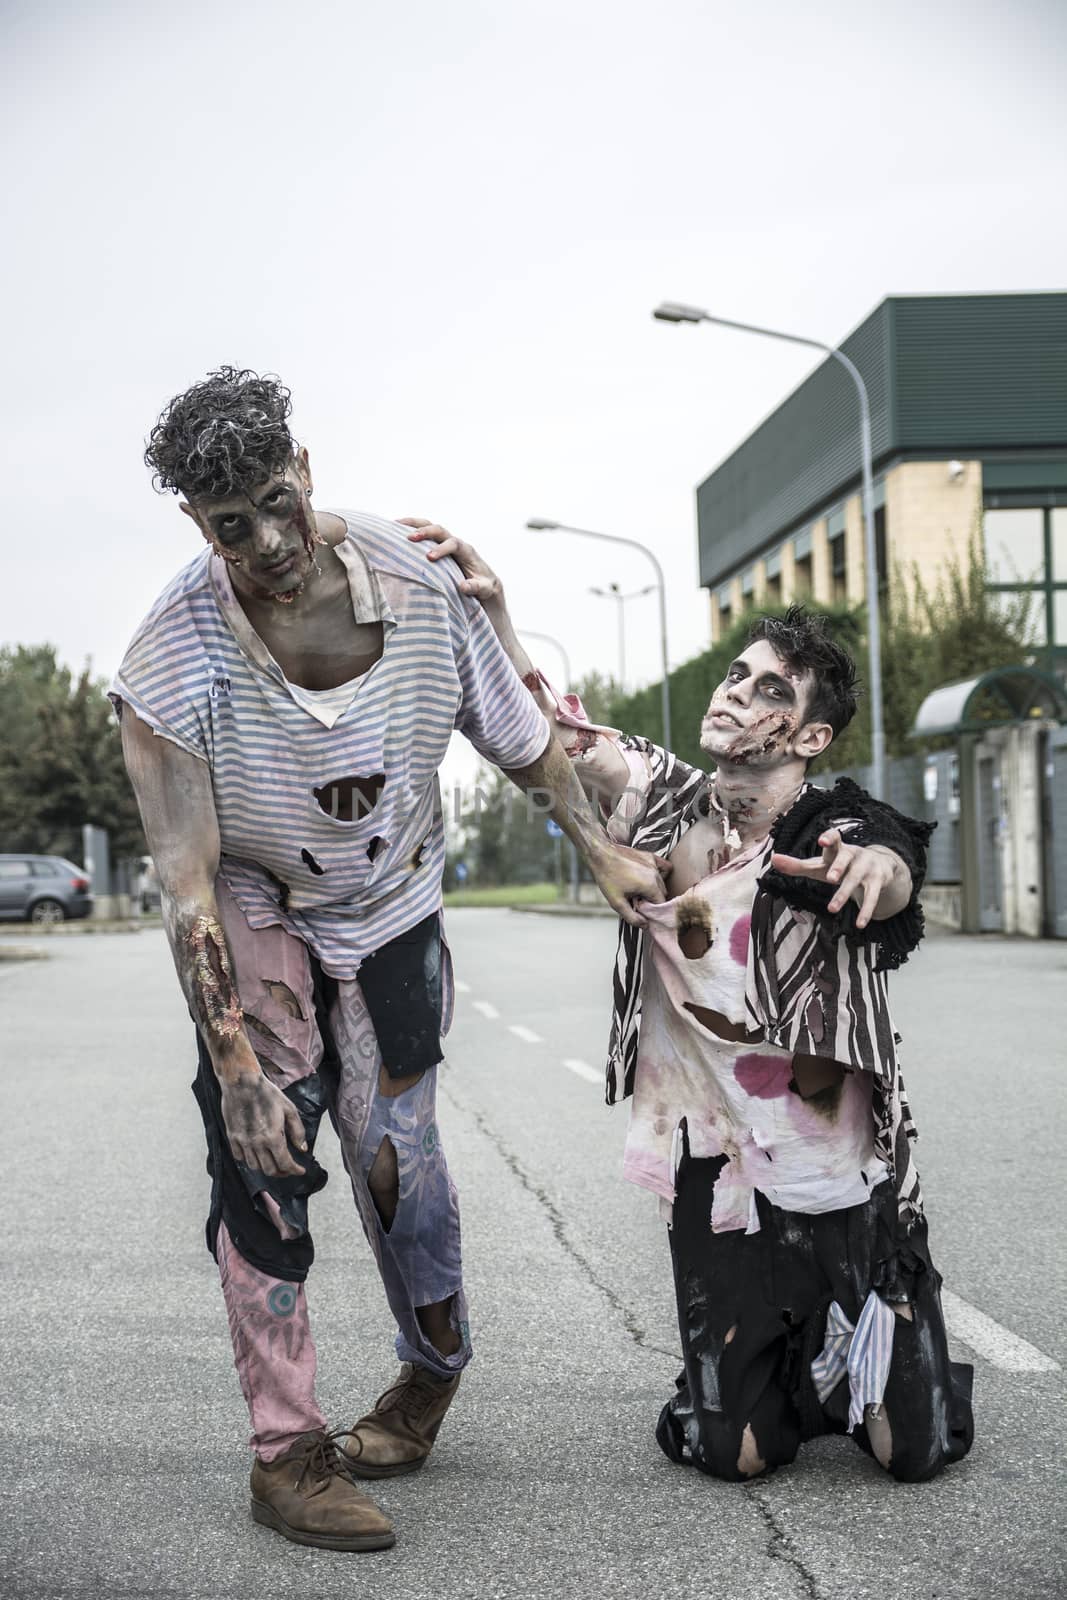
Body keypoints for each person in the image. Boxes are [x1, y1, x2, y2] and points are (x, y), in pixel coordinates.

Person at [112, 368, 666, 1552]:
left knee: (393, 1158)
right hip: (258, 901)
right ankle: (286, 1453)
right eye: (230, 526)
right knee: (259, 1164)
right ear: (195, 528)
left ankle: (429, 1371)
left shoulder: (420, 586)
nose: (266, 543)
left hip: (394, 894)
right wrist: (240, 1074)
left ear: (305, 470)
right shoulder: (170, 658)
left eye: (275, 501)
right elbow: (187, 882)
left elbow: (525, 749)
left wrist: (601, 851)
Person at [410, 521, 974, 1485]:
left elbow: (886, 860)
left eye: (768, 690)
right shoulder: (668, 805)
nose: (735, 693)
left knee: (913, 1454)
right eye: (736, 674)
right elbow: (556, 737)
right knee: (734, 1455)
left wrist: (875, 868)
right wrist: (495, 613)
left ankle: (876, 1364)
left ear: (805, 736)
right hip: (720, 1174)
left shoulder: (829, 825)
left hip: (847, 1181)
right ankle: (779, 1372)